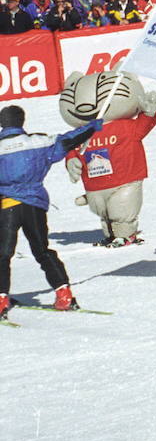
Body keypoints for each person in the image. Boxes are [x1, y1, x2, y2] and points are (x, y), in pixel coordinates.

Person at [0, 105, 102, 318]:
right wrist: (93, 126)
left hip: (7, 205)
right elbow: (69, 139)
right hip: (34, 204)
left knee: (3, 254)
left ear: (2, 123)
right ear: (21, 121)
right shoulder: (38, 142)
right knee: (43, 250)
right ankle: (64, 294)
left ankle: (1, 300)